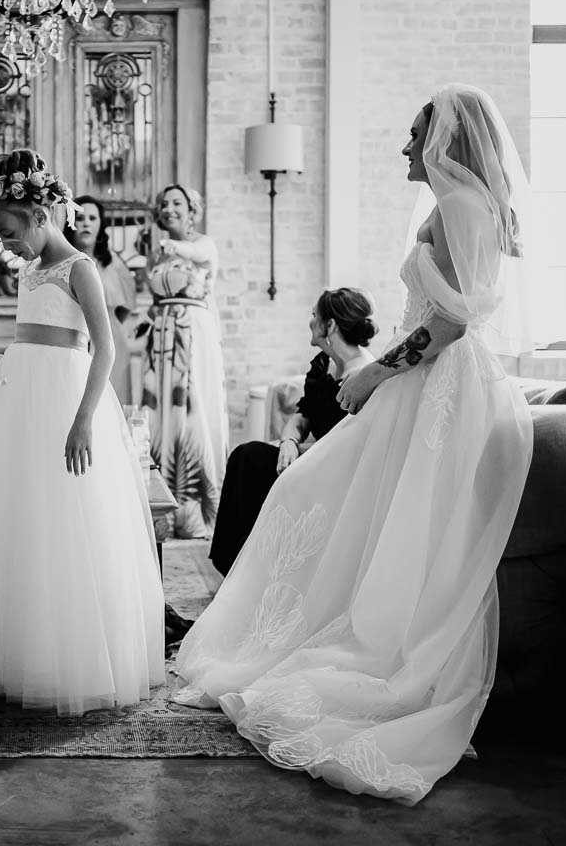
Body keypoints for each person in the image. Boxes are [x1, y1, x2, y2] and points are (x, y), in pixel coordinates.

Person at [172, 84, 534, 805]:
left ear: (442, 143)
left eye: (413, 134)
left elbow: (456, 324)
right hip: (422, 381)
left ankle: (361, 648)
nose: (404, 147)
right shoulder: (448, 208)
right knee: (314, 491)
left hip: (441, 388)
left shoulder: (463, 207)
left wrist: (374, 372)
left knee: (354, 506)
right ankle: (273, 632)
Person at [0, 149, 165, 716]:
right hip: (22, 393)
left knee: (68, 518)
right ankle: (14, 650)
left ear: (39, 213)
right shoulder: (31, 269)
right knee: (19, 514)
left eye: (9, 232)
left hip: (66, 394)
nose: (5, 244)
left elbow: (105, 347)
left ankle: (68, 656)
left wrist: (83, 418)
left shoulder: (79, 267)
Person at [207, 287, 378, 576]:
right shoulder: (325, 365)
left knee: (250, 459)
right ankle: (238, 565)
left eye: (314, 316)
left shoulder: (362, 375)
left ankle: (248, 568)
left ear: (330, 325)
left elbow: (350, 445)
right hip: (309, 457)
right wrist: (288, 441)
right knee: (249, 457)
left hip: (337, 470)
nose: (310, 322)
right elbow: (302, 416)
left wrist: (299, 451)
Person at [140, 183, 228, 540]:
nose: (169, 208)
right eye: (164, 203)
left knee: (191, 415)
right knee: (157, 418)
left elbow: (192, 252)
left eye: (177, 202)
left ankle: (193, 513)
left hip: (191, 335)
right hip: (160, 337)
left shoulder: (203, 244)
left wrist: (169, 245)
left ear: (193, 209)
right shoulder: (154, 254)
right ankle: (157, 505)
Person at [72, 194, 139, 406]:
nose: (86, 224)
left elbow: (125, 307)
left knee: (110, 404)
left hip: (111, 339)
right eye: (81, 218)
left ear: (100, 225)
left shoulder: (114, 263)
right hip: (74, 339)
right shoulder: (65, 261)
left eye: (92, 219)